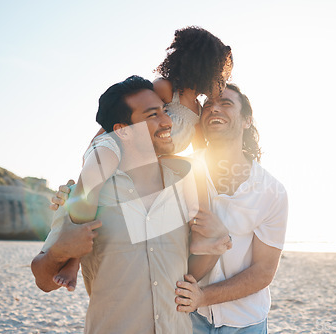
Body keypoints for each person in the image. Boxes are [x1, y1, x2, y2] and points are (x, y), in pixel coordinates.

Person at [31, 75, 226, 333]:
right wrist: (60, 253)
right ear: (123, 130)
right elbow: (44, 280)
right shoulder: (87, 193)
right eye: (152, 115)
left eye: (164, 111)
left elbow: (188, 274)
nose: (167, 121)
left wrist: (216, 244)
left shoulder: (186, 184)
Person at [173, 84, 288, 333]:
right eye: (208, 105)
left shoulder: (272, 191)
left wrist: (203, 297)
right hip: (186, 317)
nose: (214, 108)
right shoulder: (180, 173)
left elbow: (264, 271)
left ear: (247, 120)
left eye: (226, 103)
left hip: (245, 321)